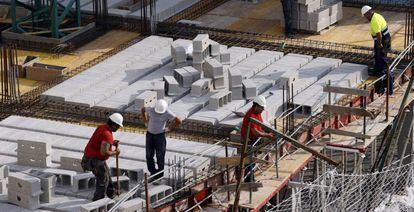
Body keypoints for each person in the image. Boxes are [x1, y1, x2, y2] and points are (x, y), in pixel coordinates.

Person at [81, 113, 123, 201]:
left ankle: (111, 193)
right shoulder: (107, 134)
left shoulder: (102, 127)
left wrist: (112, 143)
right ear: (114, 125)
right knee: (103, 181)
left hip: (90, 157)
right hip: (94, 160)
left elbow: (101, 142)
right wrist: (115, 152)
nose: (118, 128)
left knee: (107, 174)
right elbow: (104, 152)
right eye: (118, 126)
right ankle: (98, 201)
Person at [141, 99, 181, 179]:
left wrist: (169, 128)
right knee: (149, 155)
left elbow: (178, 121)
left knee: (160, 156)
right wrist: (145, 121)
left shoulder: (167, 112)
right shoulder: (151, 109)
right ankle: (152, 172)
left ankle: (159, 175)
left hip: (160, 136)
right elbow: (142, 109)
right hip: (150, 135)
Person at [240, 95, 275, 182]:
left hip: (255, 140)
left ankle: (251, 178)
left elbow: (261, 126)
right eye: (262, 107)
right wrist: (267, 135)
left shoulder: (257, 113)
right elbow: (255, 132)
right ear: (256, 106)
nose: (263, 109)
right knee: (249, 161)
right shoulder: (251, 115)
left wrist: (270, 131)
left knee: (252, 160)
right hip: (249, 141)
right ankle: (249, 181)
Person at [361, 5, 393, 95]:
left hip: (382, 40)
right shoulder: (377, 15)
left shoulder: (374, 21)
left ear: (367, 13)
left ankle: (384, 78)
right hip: (385, 39)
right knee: (378, 57)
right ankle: (378, 71)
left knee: (382, 59)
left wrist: (379, 44)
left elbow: (379, 34)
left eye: (364, 15)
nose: (365, 17)